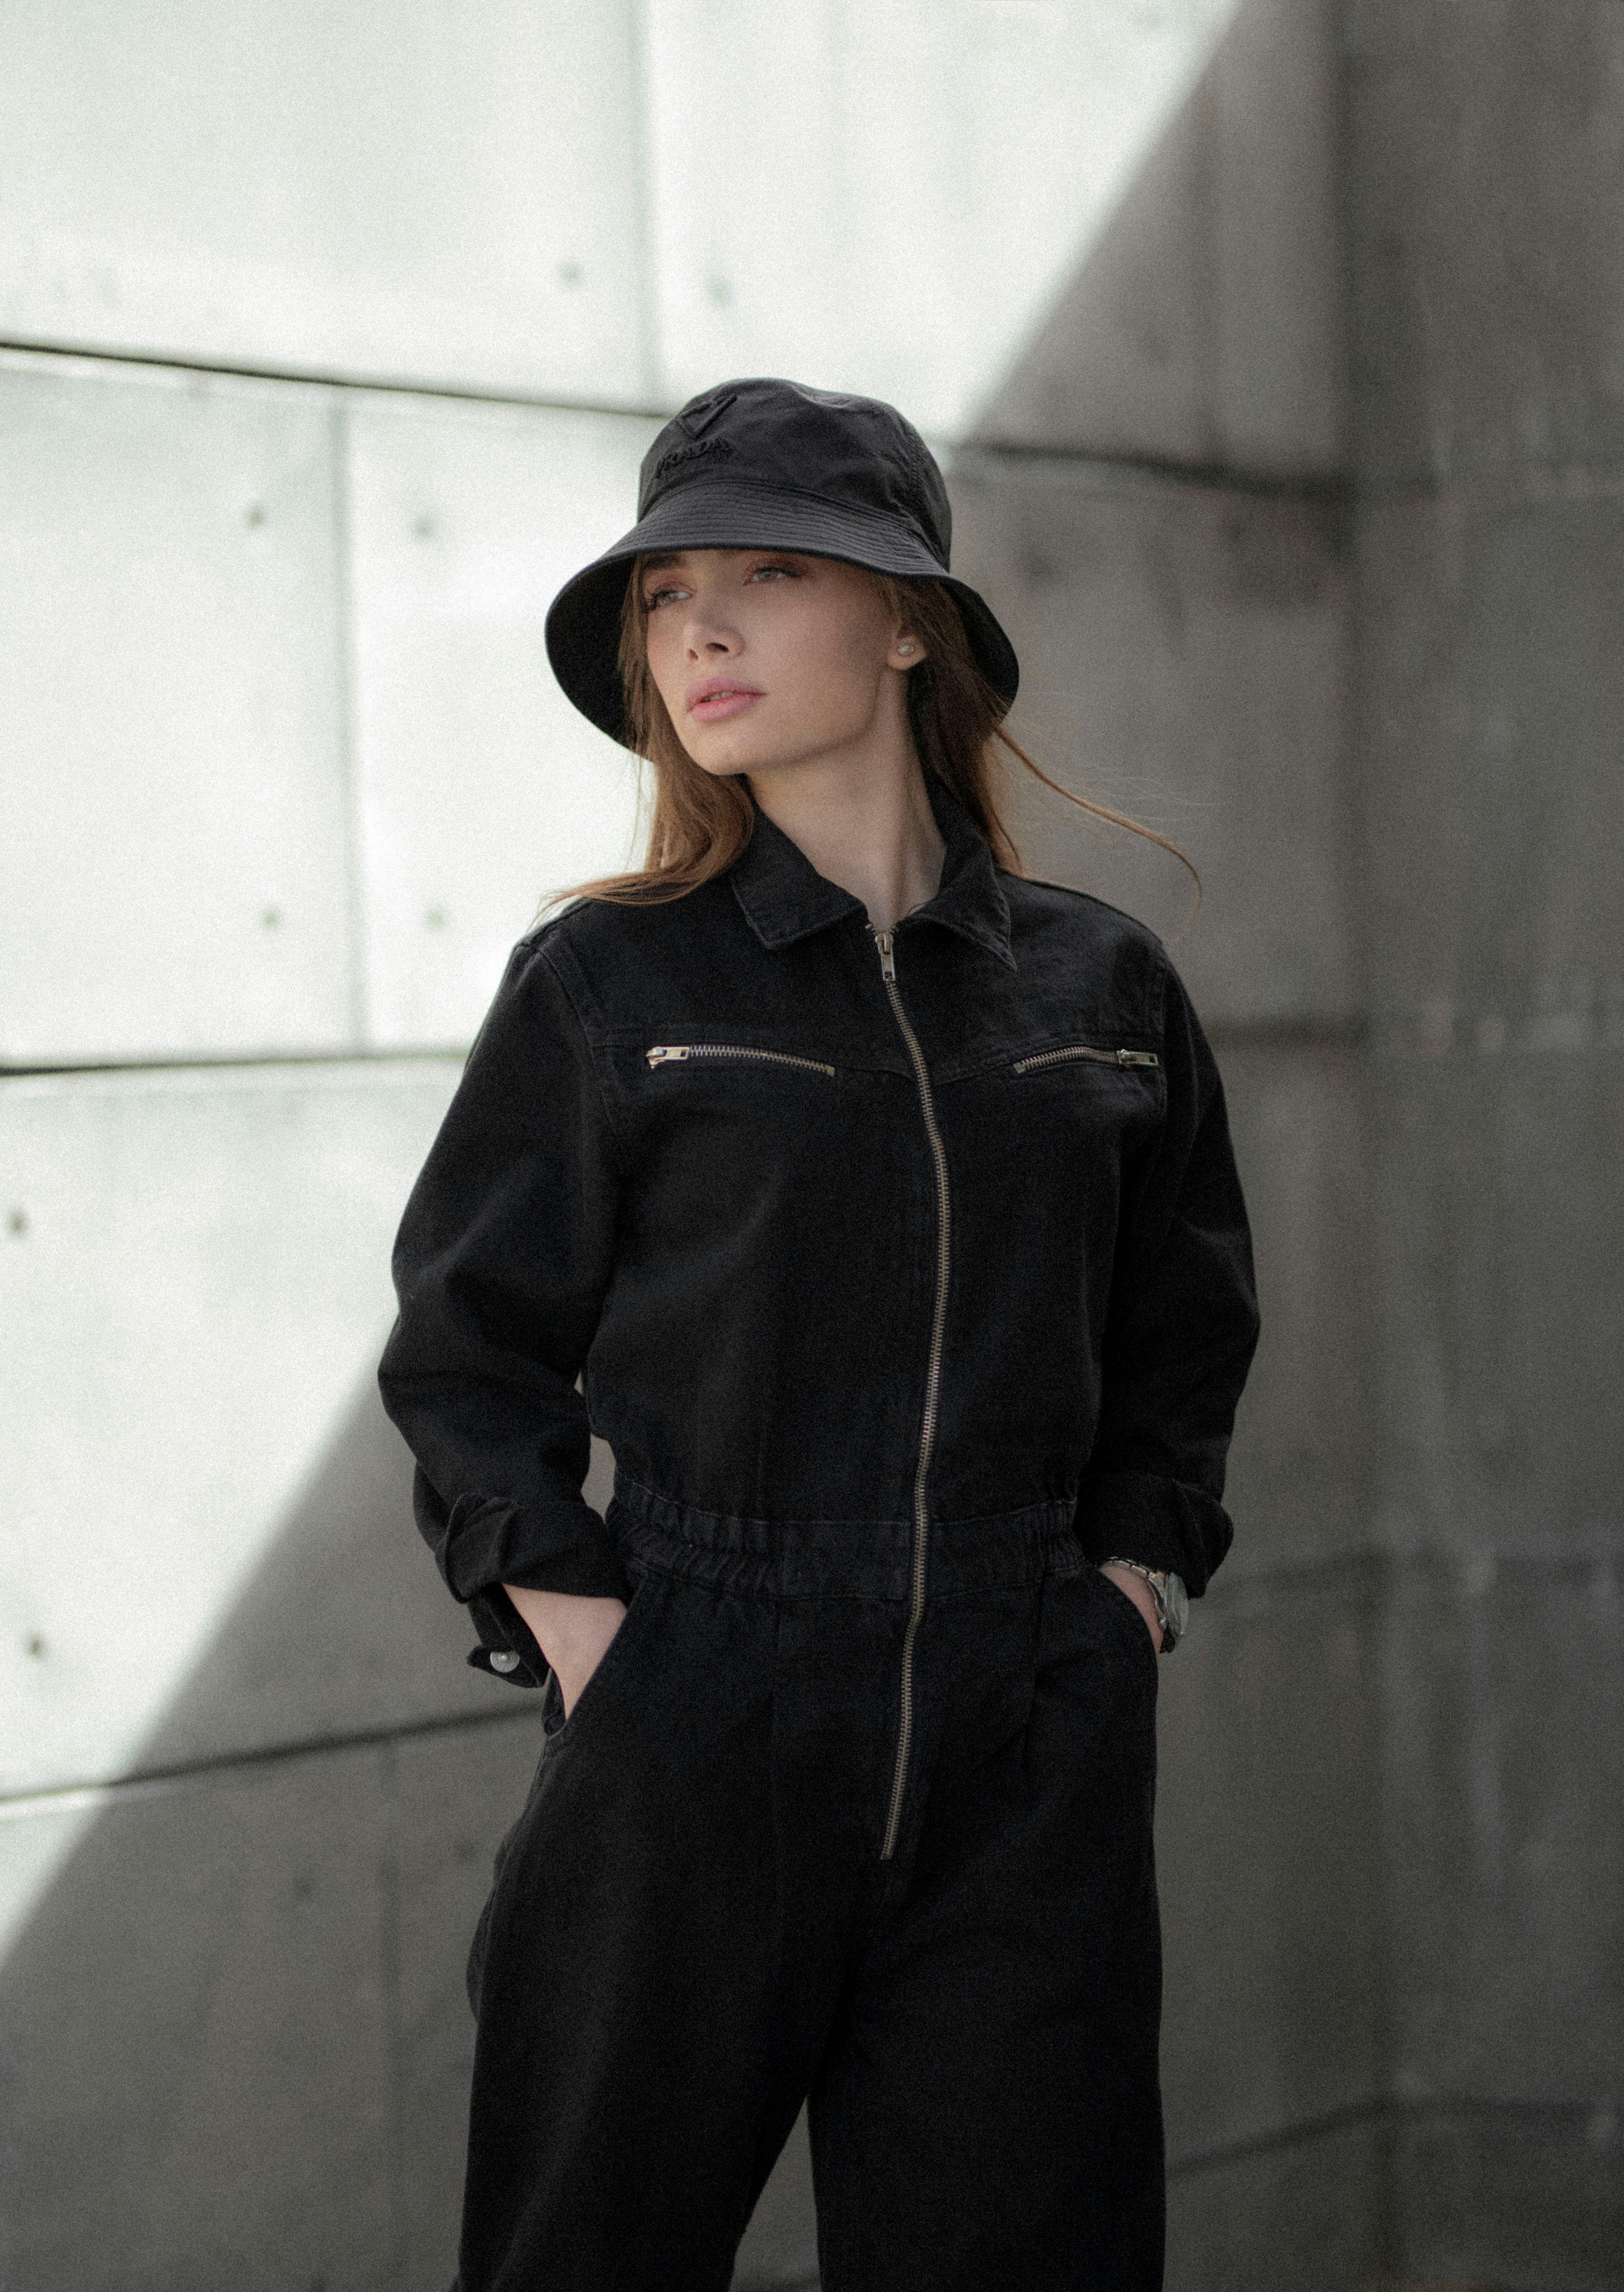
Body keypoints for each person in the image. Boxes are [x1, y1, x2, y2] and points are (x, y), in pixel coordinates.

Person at [378, 377, 1261, 2292]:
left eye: (769, 571)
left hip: (1024, 1741)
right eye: (667, 589)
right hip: (698, 1722)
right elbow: (466, 1354)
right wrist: (601, 1643)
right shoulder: (609, 982)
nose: (698, 625)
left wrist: (1124, 1585)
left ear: (906, 618)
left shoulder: (1098, 982)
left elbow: (1180, 1332)